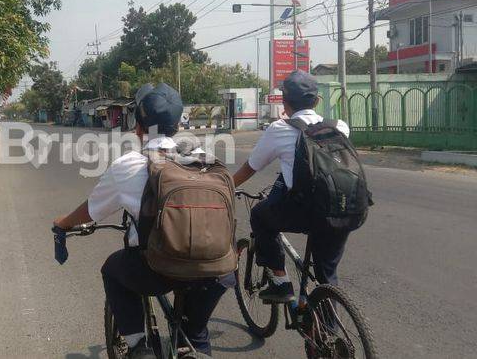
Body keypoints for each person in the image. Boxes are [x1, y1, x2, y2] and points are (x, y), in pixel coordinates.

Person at [53, 83, 226, 358]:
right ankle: (195, 344)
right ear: (177, 125)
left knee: (112, 269)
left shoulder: (129, 165)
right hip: (216, 269)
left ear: (137, 127)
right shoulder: (207, 160)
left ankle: (137, 344)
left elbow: (92, 211)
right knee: (195, 333)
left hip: (159, 269)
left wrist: (63, 223)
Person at [231, 70, 351, 303]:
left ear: (284, 104)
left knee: (259, 215)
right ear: (316, 102)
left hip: (306, 212)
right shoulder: (340, 126)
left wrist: (225, 187)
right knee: (326, 277)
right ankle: (328, 331)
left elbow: (251, 167)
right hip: (345, 208)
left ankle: (281, 282)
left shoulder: (279, 129)